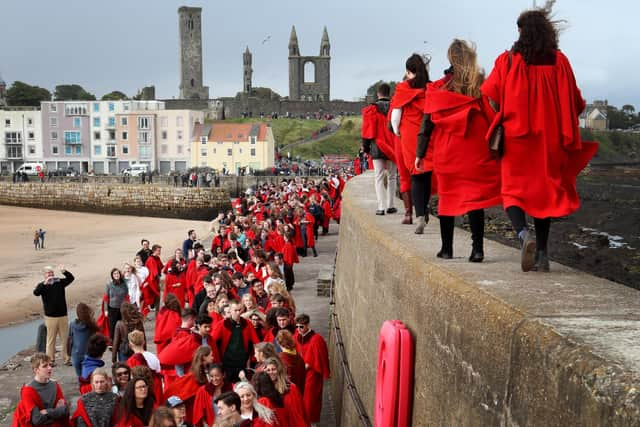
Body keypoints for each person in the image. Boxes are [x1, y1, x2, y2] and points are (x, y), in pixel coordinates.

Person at [481, 7, 598, 272]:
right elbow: (576, 102)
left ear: (521, 32)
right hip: (549, 141)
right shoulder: (559, 61)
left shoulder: (508, 60)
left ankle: (523, 235)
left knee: (511, 191)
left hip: (516, 138)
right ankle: (543, 255)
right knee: (543, 196)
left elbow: (491, 95)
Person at [418, 39, 501, 261]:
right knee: (475, 199)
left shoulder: (439, 86)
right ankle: (477, 250)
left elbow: (427, 123)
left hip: (448, 149)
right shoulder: (480, 84)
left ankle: (447, 249)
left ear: (450, 59)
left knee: (447, 198)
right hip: (475, 147)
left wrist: (420, 153)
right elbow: (495, 112)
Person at [391, 53, 433, 234]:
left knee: (415, 175)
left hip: (409, 135)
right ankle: (424, 208)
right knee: (427, 173)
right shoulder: (430, 88)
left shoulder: (403, 89)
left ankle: (420, 215)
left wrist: (398, 132)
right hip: (428, 134)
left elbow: (395, 117)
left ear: (409, 71)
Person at [361, 83, 400, 217]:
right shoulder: (396, 108)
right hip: (393, 146)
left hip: (377, 146)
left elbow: (367, 132)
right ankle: (391, 205)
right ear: (389, 93)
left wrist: (366, 148)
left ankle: (381, 207)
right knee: (392, 177)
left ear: (378, 94)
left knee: (378, 177)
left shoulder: (371, 109)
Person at [12, 353, 69, 427]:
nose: (49, 368)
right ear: (36, 370)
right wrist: (56, 413)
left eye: (50, 365)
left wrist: (46, 412)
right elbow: (37, 420)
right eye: (45, 366)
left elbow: (65, 411)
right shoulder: (28, 390)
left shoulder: (55, 385)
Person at [33, 265, 74, 365]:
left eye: (51, 272)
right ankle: (50, 360)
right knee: (51, 340)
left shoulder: (59, 282)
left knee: (64, 338)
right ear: (44, 275)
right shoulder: (42, 285)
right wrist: (45, 284)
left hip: (63, 315)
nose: (50, 274)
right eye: (48, 273)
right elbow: (36, 293)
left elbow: (71, 278)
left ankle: (66, 359)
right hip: (50, 317)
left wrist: (64, 271)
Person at [211, 300, 260, 382]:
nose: (238, 313)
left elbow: (256, 342)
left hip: (242, 363)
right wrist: (216, 360)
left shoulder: (247, 323)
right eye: (235, 310)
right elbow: (212, 341)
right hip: (227, 363)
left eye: (239, 310)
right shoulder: (222, 324)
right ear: (230, 310)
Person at [295, 314, 330, 425]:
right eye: (297, 327)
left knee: (310, 402)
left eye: (301, 327)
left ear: (308, 325)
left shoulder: (316, 340)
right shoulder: (296, 337)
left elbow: (316, 360)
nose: (299, 330)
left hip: (311, 376)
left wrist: (303, 367)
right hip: (300, 374)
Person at [68, 303, 99, 378]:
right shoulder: (91, 325)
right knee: (90, 378)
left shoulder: (72, 325)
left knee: (80, 378)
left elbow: (70, 340)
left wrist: (68, 353)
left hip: (76, 355)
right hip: (89, 355)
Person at [105, 268, 128, 343]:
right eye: (114, 274)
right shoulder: (109, 284)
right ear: (112, 275)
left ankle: (123, 341)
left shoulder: (124, 283)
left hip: (122, 308)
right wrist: (106, 310)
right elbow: (106, 297)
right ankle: (112, 342)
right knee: (112, 326)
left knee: (123, 325)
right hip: (112, 308)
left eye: (117, 273)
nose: (116, 275)